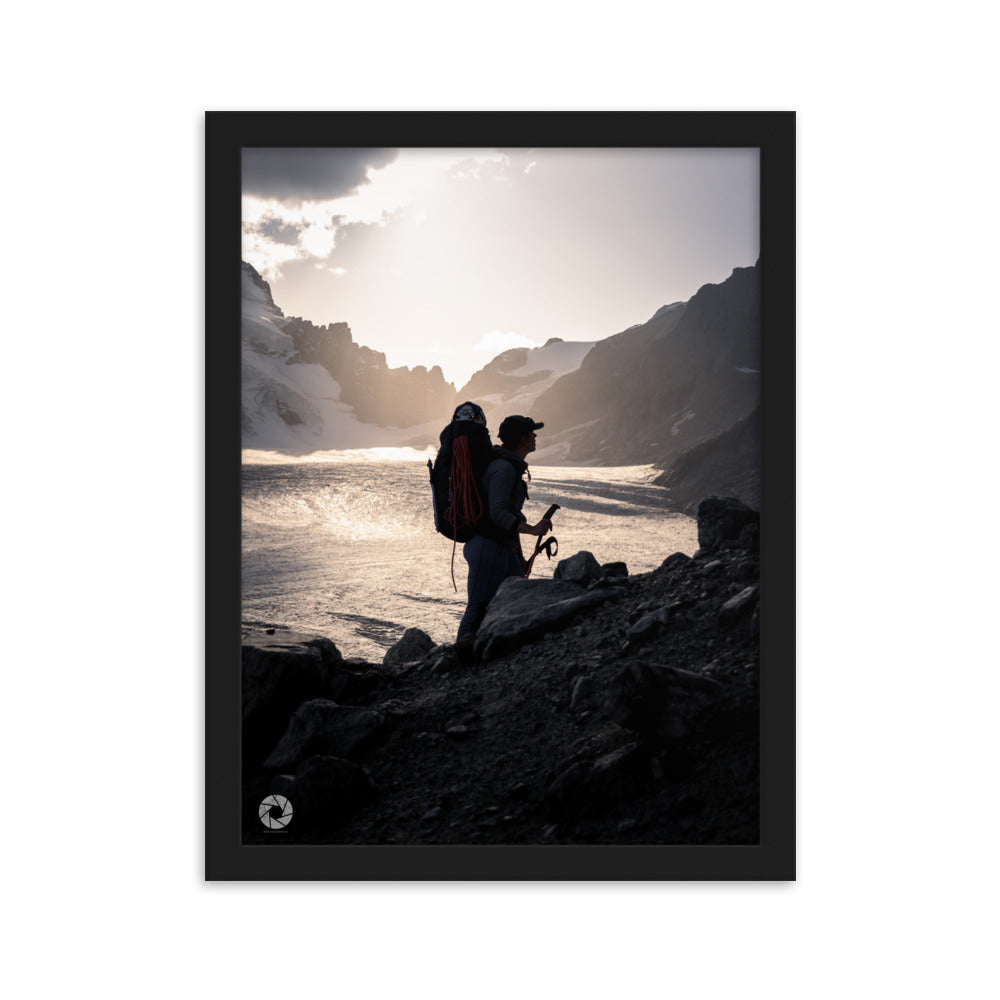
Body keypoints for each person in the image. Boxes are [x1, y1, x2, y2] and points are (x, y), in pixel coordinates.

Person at [455, 415, 553, 644]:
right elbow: (497, 513)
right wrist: (532, 529)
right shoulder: (504, 468)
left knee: (519, 599)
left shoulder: (508, 466)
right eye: (531, 433)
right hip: (487, 547)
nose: (535, 436)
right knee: (478, 608)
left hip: (501, 547)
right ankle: (455, 663)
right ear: (522, 438)